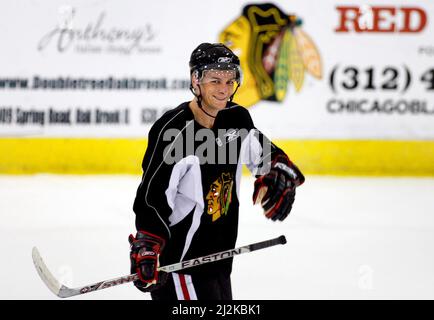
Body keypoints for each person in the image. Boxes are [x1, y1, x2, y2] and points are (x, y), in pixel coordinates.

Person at [129, 43, 305, 300]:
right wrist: (147, 246)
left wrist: (278, 173)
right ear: (196, 80)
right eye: (215, 80)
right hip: (181, 267)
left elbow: (267, 154)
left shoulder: (237, 120)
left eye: (229, 81)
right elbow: (152, 198)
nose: (224, 89)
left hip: (220, 262)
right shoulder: (173, 132)